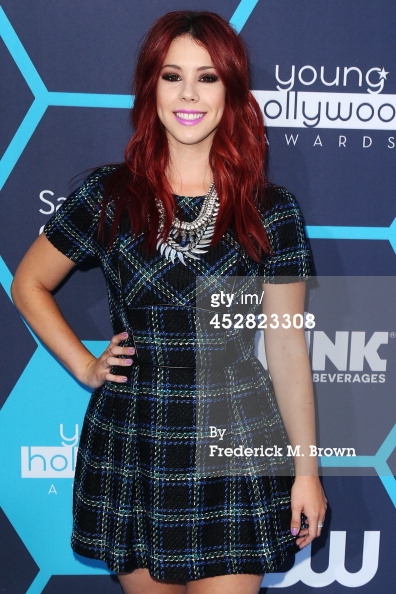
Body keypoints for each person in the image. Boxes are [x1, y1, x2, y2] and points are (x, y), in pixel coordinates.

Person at [11, 10, 327, 594]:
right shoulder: (107, 195)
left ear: (230, 91)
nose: (188, 94)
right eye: (171, 75)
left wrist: (306, 471)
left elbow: (285, 346)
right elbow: (27, 282)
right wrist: (85, 365)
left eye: (207, 78)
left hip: (235, 432)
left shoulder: (270, 209)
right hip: (135, 433)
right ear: (149, 85)